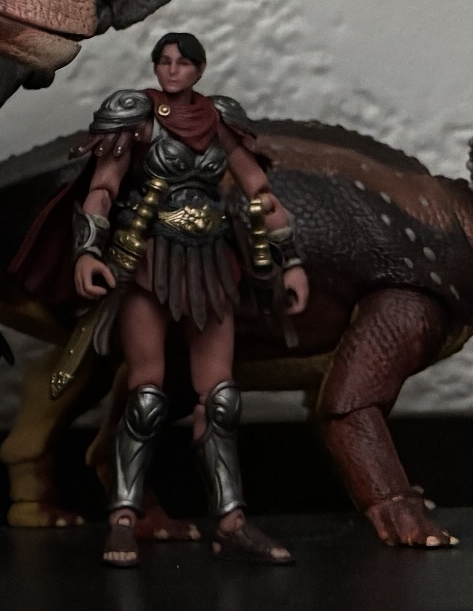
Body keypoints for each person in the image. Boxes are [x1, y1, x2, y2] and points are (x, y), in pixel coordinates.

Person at [69, 33, 308, 566]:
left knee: (220, 399)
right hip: (149, 261)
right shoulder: (135, 114)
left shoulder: (220, 118)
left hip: (210, 261)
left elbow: (259, 191)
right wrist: (87, 251)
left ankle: (232, 522)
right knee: (146, 395)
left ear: (199, 69)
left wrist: (290, 260)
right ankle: (124, 518)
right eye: (164, 61)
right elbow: (103, 188)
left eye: (182, 62)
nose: (171, 70)